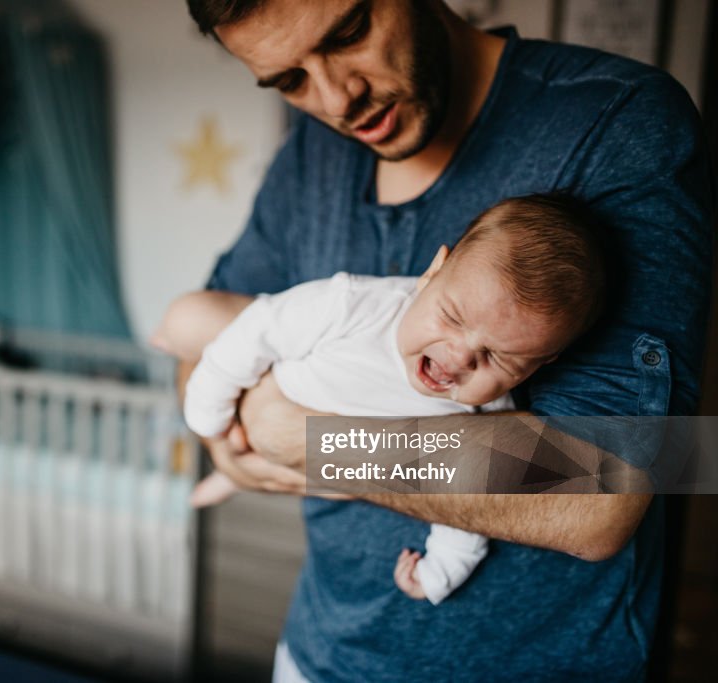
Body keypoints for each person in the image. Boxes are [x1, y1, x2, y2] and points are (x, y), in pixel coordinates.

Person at [180, 0, 713, 680]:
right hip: (320, 653)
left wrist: (299, 435)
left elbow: (600, 494)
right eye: (289, 81)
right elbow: (206, 333)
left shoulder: (618, 123)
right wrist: (225, 438)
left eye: (349, 34)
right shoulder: (308, 159)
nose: (338, 97)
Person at [156, 194, 605, 605]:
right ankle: (234, 468)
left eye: (498, 358)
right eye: (451, 316)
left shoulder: (486, 413)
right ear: (432, 273)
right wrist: (209, 411)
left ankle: (240, 471)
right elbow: (260, 330)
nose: (459, 357)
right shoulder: (356, 303)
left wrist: (442, 570)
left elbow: (471, 500)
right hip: (283, 390)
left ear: (537, 366)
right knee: (195, 321)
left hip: (331, 470)